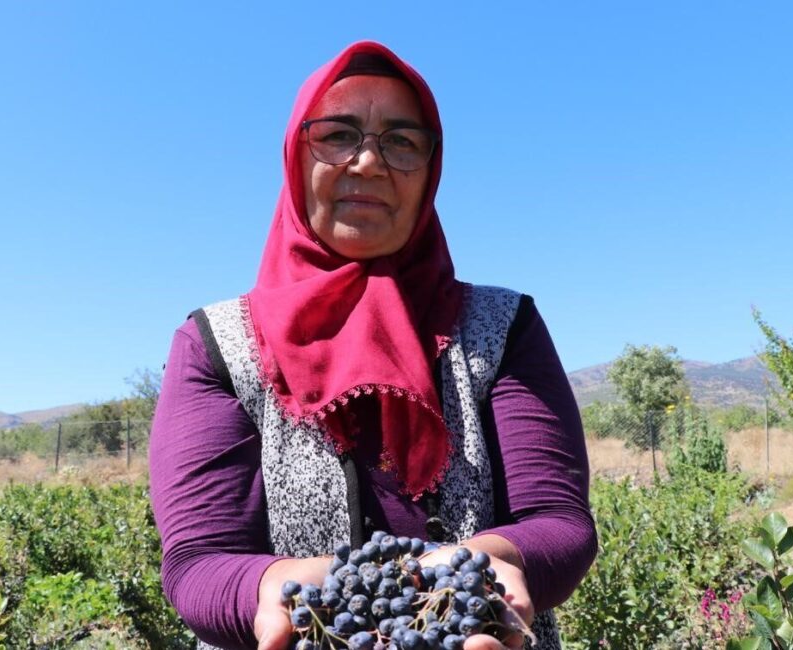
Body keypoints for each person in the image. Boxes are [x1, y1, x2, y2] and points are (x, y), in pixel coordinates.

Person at [149, 41, 597, 650]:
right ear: (294, 155)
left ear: (431, 171)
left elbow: (558, 521)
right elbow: (199, 561)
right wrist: (282, 588)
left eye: (401, 141)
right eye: (337, 135)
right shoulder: (217, 345)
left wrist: (477, 569)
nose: (368, 162)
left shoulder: (502, 325)